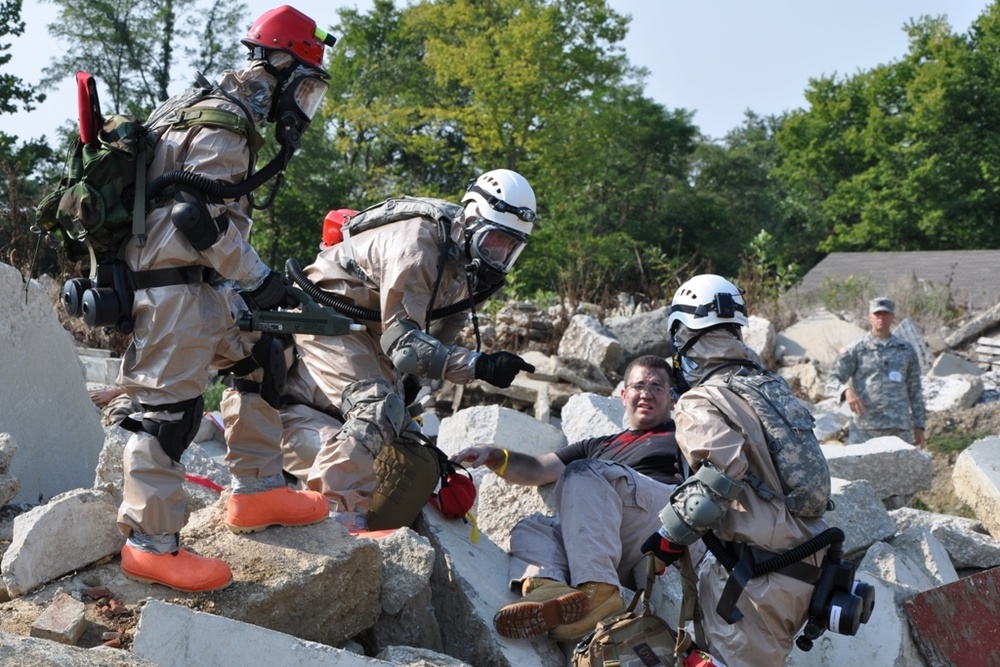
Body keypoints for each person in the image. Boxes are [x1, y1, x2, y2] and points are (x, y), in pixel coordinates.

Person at [115, 6, 337, 593]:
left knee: (263, 355)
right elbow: (198, 216)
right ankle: (149, 545)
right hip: (169, 293)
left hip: (201, 287)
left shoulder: (198, 107)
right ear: (282, 66)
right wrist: (259, 276)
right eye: (307, 87)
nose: (305, 105)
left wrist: (247, 287)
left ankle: (258, 492)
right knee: (169, 415)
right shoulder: (228, 120)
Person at [279, 169, 537, 528]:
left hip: (374, 328)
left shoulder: (464, 258)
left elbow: (449, 324)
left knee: (408, 448)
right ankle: (339, 518)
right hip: (330, 314)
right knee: (374, 409)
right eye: (495, 241)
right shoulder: (420, 244)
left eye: (510, 247)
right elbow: (403, 345)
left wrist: (419, 378)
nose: (499, 254)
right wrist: (479, 365)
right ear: (474, 219)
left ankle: (322, 477)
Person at [641, 274, 830, 666]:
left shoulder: (701, 399)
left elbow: (713, 487)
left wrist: (665, 541)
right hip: (801, 573)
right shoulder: (767, 386)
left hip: (754, 580)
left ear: (683, 335)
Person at [453, 355, 682, 642]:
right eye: (638, 385)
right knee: (532, 526)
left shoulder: (681, 436)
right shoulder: (598, 445)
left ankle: (599, 590)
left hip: (656, 520)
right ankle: (551, 590)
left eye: (657, 387)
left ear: (673, 399)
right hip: (605, 535)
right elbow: (538, 468)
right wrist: (495, 455)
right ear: (623, 395)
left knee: (585, 472)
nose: (646, 393)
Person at [826, 296, 926, 447]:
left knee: (899, 471)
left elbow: (915, 389)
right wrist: (846, 391)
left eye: (885, 314)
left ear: (893, 316)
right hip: (865, 427)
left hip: (898, 428)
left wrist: (919, 425)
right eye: (877, 314)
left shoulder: (906, 350)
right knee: (860, 470)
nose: (881, 318)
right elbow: (832, 380)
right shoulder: (856, 349)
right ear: (870, 317)